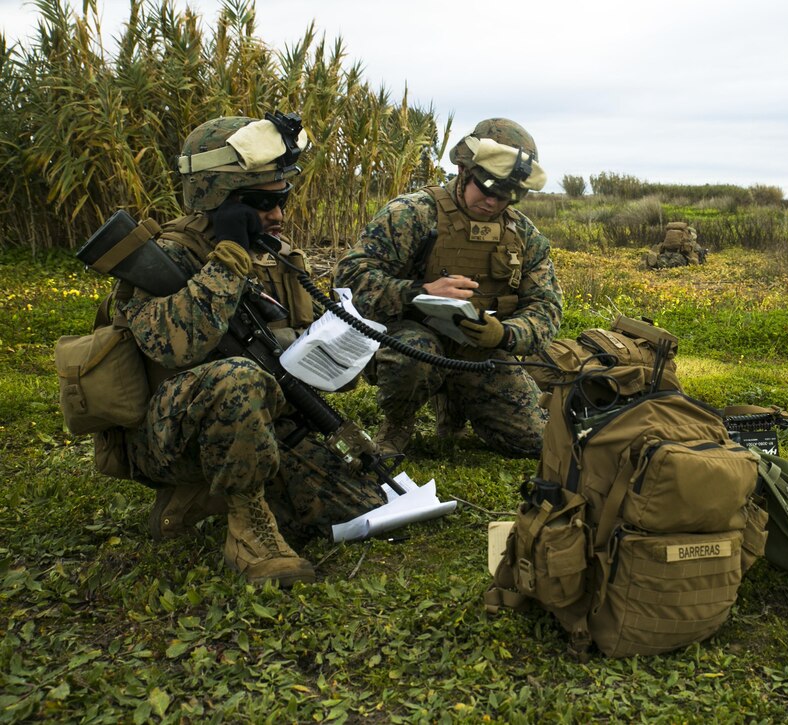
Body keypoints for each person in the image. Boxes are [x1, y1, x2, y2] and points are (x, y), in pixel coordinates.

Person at [118, 113, 384, 586]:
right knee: (237, 377)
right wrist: (229, 256)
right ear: (220, 202)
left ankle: (206, 497)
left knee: (358, 507)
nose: (278, 215)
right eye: (262, 203)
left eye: (282, 198)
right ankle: (247, 535)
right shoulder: (163, 258)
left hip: (257, 427)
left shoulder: (278, 260)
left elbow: (300, 355)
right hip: (167, 435)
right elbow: (177, 346)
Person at [333, 118, 562, 458]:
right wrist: (418, 292)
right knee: (414, 352)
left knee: (533, 442)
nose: (493, 203)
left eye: (507, 196)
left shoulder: (524, 235)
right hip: (414, 340)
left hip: (480, 354)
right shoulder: (412, 214)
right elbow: (349, 279)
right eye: (487, 189)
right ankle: (398, 422)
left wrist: (504, 335)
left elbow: (547, 308)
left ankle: (458, 401)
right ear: (463, 169)